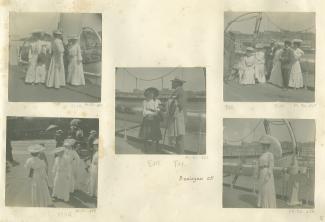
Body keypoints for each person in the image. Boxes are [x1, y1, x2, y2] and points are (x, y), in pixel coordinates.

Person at [165, 78, 187, 154]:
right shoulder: (179, 90)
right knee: (178, 136)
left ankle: (180, 154)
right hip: (177, 116)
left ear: (177, 83)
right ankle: (179, 153)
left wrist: (169, 112)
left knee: (179, 137)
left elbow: (177, 104)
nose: (171, 84)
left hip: (177, 117)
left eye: (173, 82)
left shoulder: (179, 91)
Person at [138, 88, 162, 153]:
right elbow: (144, 112)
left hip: (155, 120)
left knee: (156, 135)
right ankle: (146, 149)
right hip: (147, 120)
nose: (151, 95)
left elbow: (158, 111)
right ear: (147, 94)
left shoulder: (158, 101)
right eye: (149, 93)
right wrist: (152, 113)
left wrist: (153, 112)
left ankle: (157, 148)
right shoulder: (144, 102)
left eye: (152, 93)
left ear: (154, 94)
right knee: (146, 134)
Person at [257, 135, 276, 208]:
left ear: (268, 146)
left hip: (266, 173)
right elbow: (259, 165)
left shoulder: (270, 154)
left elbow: (271, 165)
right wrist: (258, 173)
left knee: (267, 189)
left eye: (265, 145)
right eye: (263, 145)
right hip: (261, 172)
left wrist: (268, 174)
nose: (263, 147)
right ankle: (262, 204)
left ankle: (268, 205)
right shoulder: (261, 155)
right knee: (262, 189)